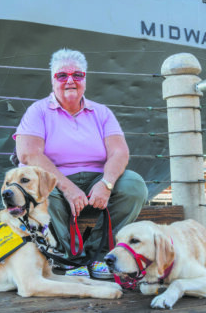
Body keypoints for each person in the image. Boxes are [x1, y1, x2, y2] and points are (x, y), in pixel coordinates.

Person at [13, 48, 148, 279]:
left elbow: (119, 152)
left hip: (97, 178)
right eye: (62, 76)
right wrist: (68, 188)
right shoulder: (38, 111)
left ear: (85, 79)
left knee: (134, 186)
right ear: (52, 80)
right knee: (36, 188)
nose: (70, 81)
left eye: (78, 75)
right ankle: (68, 259)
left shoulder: (101, 112)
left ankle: (102, 256)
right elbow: (28, 155)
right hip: (56, 180)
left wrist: (106, 183)